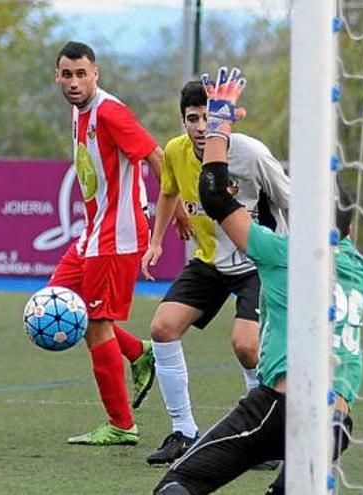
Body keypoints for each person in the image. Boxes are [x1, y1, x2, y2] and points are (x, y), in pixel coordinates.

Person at [154, 67, 363, 494]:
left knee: (176, 487)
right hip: (338, 421)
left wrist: (220, 122)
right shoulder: (358, 267)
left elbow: (214, 195)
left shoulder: (283, 254)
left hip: (282, 409)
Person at [141, 81, 290, 465]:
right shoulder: (175, 151)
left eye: (208, 117)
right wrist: (156, 241)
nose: (201, 126)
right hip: (210, 261)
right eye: (193, 119)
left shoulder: (251, 153)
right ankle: (184, 432)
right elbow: (168, 192)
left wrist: (295, 258)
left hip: (257, 262)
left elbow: (290, 200)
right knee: (162, 327)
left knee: (246, 346)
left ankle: (264, 436)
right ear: (183, 121)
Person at [52, 41, 180, 446]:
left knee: (94, 324)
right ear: (57, 77)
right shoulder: (78, 111)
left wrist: (177, 214)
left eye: (81, 74)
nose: (74, 82)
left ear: (96, 74)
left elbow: (157, 156)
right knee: (56, 300)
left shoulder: (110, 111)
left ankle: (122, 425)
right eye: (67, 74)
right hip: (92, 233)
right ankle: (138, 352)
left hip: (117, 236)